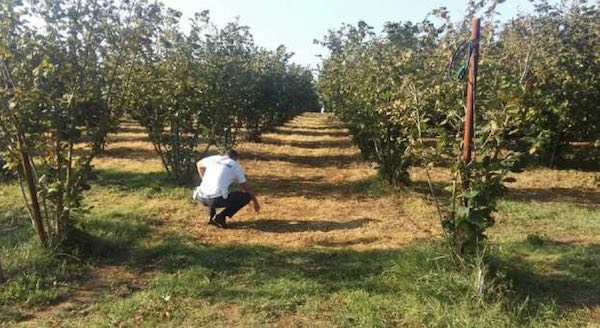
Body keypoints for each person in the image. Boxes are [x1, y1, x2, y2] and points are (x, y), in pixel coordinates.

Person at [193, 149, 260, 228]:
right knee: (246, 196)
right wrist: (255, 203)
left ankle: (211, 217)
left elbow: (199, 164)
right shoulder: (234, 165)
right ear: (235, 159)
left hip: (201, 197)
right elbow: (246, 188)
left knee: (216, 190)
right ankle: (220, 217)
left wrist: (204, 179)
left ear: (224, 155)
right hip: (215, 200)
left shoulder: (214, 158)